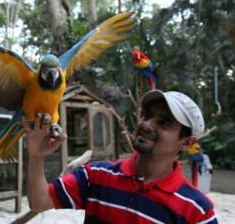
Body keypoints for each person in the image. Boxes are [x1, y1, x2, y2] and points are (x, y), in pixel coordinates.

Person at [21, 90, 218, 224]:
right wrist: (36, 157)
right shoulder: (96, 175)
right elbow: (40, 202)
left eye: (164, 122)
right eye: (146, 115)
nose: (147, 125)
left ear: (186, 143)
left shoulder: (197, 210)